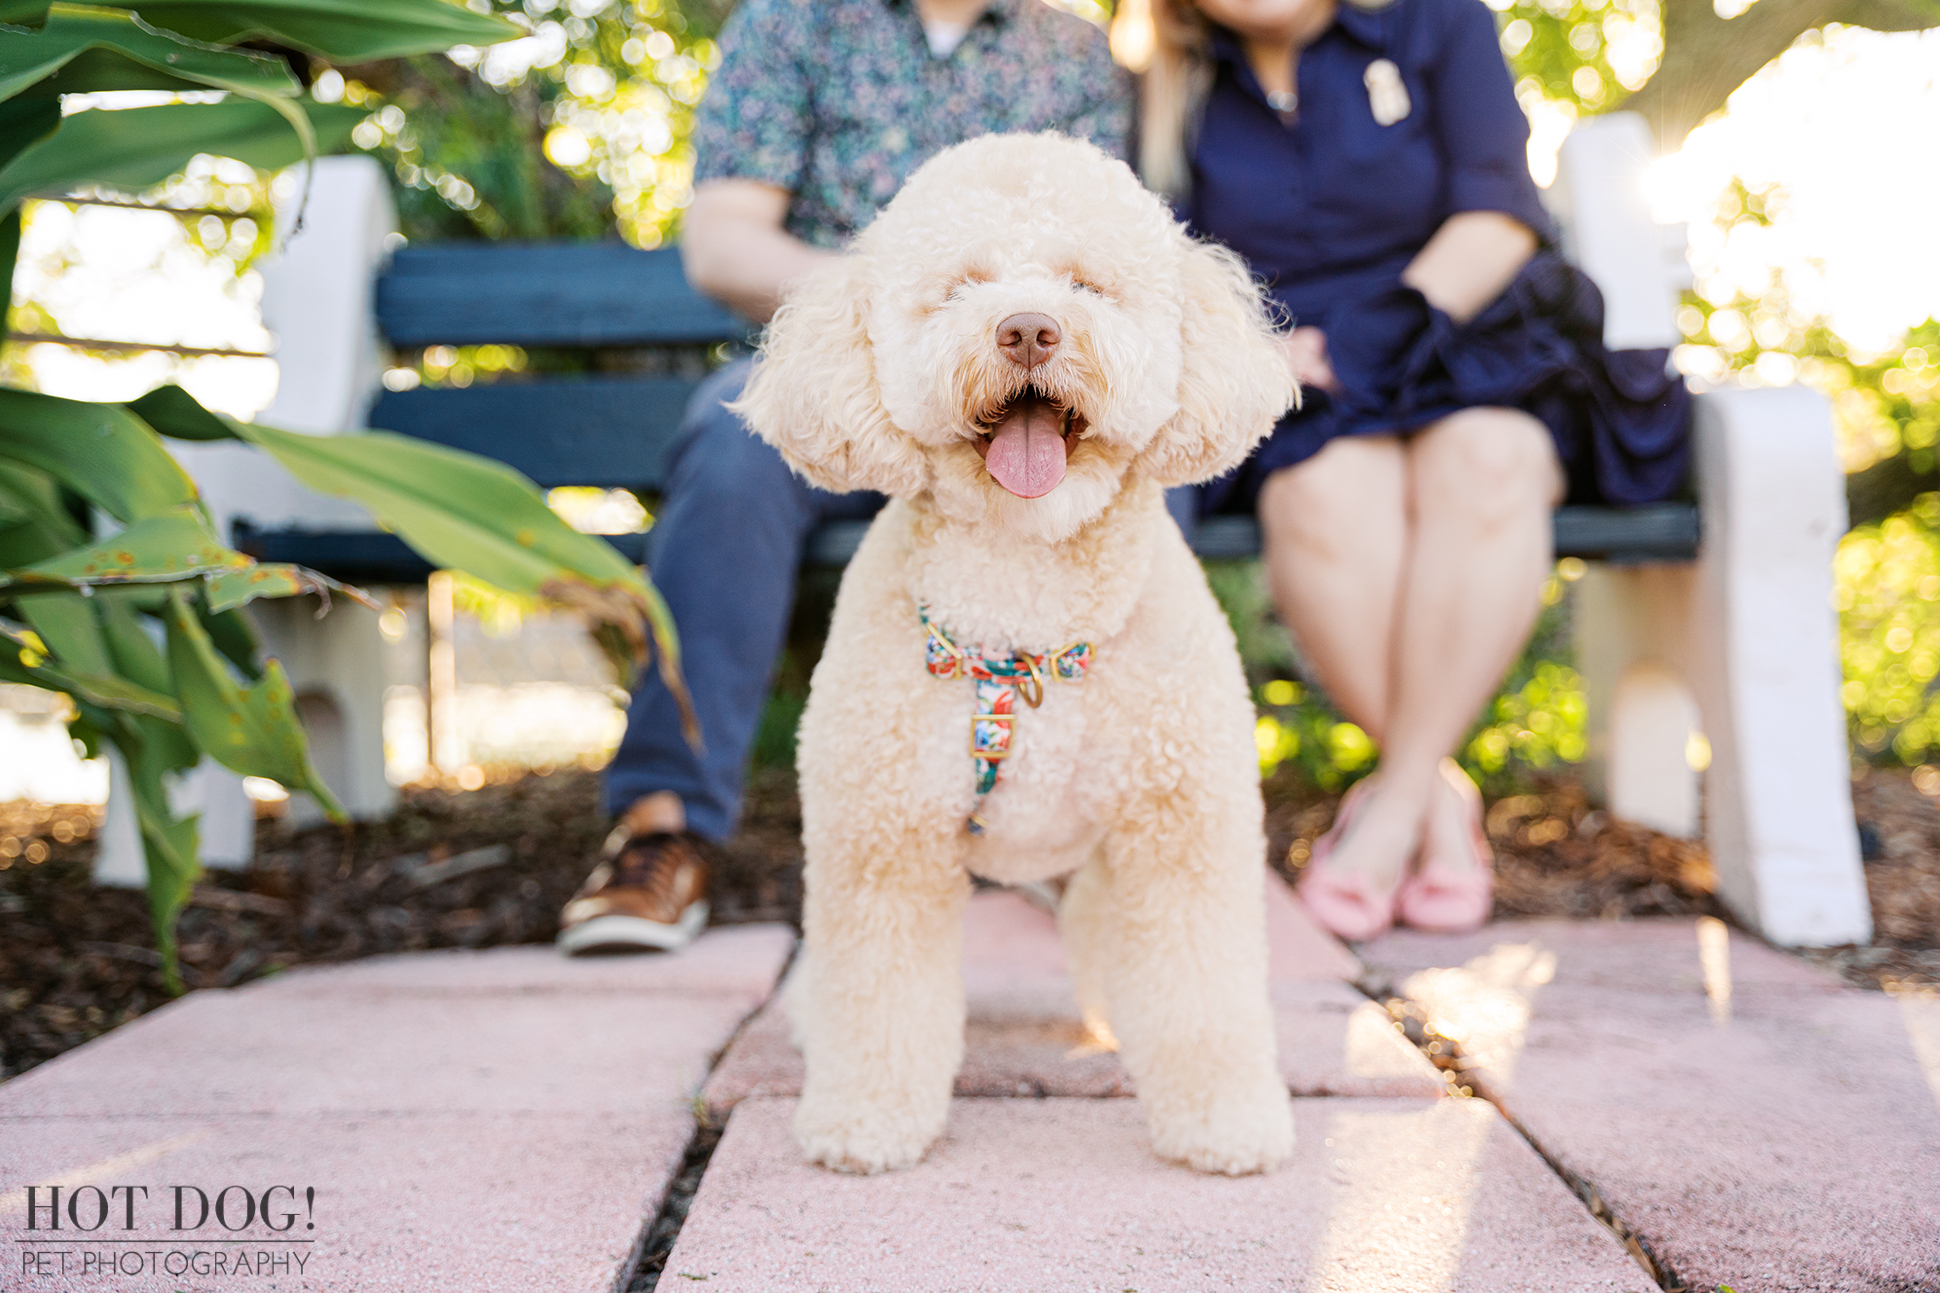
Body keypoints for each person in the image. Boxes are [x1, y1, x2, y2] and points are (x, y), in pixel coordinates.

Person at [557, 0, 1132, 954]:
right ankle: (662, 826)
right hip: (842, 363)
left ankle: (1078, 831)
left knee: (1128, 477)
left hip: (1025, 371)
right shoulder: (792, 25)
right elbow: (725, 239)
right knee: (733, 448)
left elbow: (1107, 245)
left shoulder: (1070, 53)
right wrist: (902, 315)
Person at [1119, 0, 1688, 939]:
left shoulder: (1437, 20)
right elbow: (1157, 267)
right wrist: (1255, 352)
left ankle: (1390, 807)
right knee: (1326, 496)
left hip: (1459, 333)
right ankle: (1429, 797)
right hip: (1292, 379)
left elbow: (1499, 214)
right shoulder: (1163, 82)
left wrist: (1364, 339)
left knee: (1492, 460)